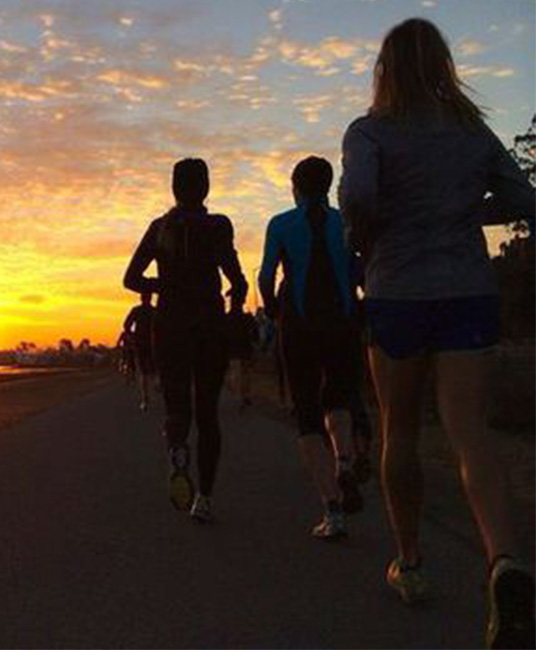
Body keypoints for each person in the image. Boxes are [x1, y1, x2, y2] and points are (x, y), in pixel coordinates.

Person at [340, 18, 534, 647]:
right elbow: (525, 200)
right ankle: (504, 560)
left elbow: (359, 196)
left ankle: (411, 561)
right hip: (467, 290)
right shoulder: (472, 132)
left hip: (397, 292)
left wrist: (363, 230)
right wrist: (470, 209)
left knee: (399, 429)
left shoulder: (369, 131)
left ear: (385, 70)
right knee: (470, 433)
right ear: (444, 66)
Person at [124, 158, 248, 524]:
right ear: (206, 187)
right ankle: (204, 499)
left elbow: (130, 279)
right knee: (208, 413)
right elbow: (236, 278)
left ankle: (178, 453)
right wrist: (235, 302)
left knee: (177, 408)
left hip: (169, 327)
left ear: (174, 188)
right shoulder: (218, 225)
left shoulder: (160, 227)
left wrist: (163, 285)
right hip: (209, 325)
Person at [259, 156, 363, 541]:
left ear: (295, 188)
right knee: (338, 397)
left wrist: (272, 310)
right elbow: (359, 270)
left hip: (298, 322)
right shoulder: (344, 222)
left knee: (306, 411)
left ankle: (332, 510)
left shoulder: (281, 224)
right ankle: (344, 461)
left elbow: (266, 275)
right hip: (342, 320)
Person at [123, 292, 157, 410]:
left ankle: (145, 399)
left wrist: (131, 336)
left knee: (143, 372)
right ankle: (155, 385)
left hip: (141, 343)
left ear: (141, 298)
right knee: (153, 368)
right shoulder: (154, 311)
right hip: (152, 343)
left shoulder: (137, 310)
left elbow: (126, 325)